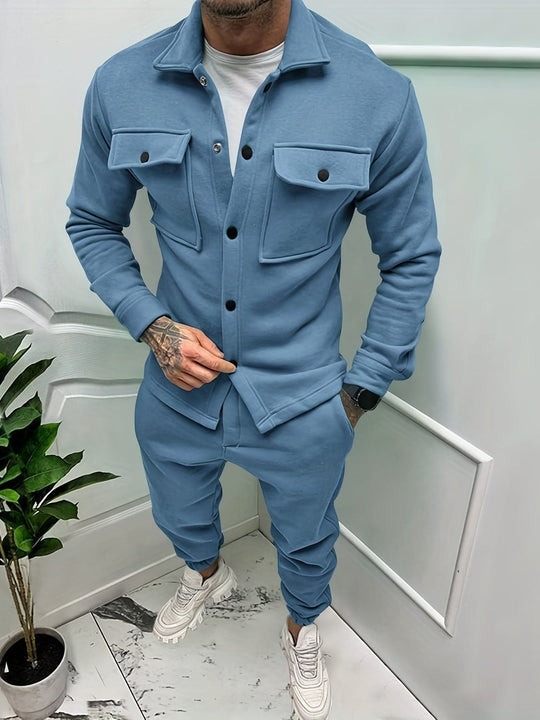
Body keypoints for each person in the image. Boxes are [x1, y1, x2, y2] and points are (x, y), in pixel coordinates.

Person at [65, 0, 441, 717]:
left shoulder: (376, 94)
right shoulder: (120, 84)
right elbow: (92, 220)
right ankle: (205, 576)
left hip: (304, 397)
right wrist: (153, 327)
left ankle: (302, 631)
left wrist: (360, 392)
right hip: (176, 389)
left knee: (307, 540)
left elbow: (411, 255)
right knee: (179, 512)